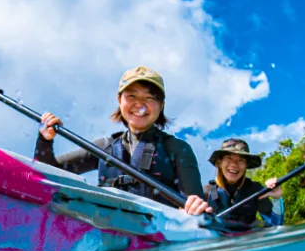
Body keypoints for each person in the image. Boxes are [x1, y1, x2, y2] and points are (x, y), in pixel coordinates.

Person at [33, 66, 212, 216]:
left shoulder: (178, 149)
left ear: (161, 105)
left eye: (149, 98)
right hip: (106, 234)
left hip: (158, 238)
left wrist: (194, 208)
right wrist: (45, 141)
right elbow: (47, 173)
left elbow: (193, 206)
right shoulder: (103, 148)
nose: (139, 104)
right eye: (131, 96)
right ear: (119, 100)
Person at [205, 138, 283, 230]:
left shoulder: (255, 189)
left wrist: (277, 200)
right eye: (228, 158)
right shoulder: (206, 192)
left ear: (246, 165)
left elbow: (275, 225)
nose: (234, 164)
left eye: (241, 160)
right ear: (219, 162)